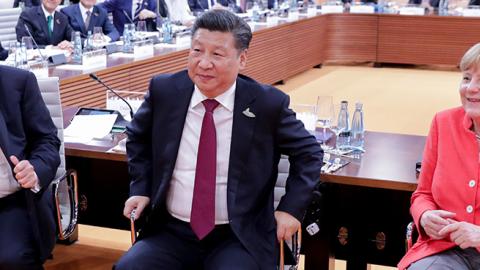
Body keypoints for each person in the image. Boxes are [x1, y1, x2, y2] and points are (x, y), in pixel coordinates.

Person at [115, 9, 322, 270]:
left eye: (217, 54)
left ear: (242, 59)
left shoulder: (266, 103)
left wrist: (291, 208)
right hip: (171, 231)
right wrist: (142, 188)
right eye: (197, 51)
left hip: (238, 236)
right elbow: (137, 137)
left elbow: (309, 153)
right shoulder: (165, 90)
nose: (203, 63)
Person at [398, 42, 480, 269]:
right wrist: (424, 215)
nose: (471, 88)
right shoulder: (443, 123)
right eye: (466, 78)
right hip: (447, 250)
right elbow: (422, 194)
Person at [0, 66, 61, 269]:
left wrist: (34, 170)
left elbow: (47, 141)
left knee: (12, 259)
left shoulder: (16, 82)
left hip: (11, 201)